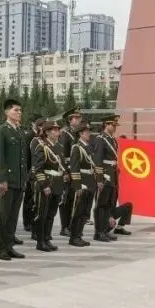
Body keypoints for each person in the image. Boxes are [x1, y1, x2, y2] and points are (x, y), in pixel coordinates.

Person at [0, 99, 28, 261]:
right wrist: (1, 180)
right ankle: (0, 248)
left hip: (18, 180)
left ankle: (9, 246)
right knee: (3, 216)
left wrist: (24, 178)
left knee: (13, 217)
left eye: (20, 110)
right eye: (15, 110)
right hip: (7, 181)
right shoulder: (1, 131)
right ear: (7, 112)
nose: (19, 113)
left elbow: (23, 158)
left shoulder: (19, 131)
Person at [31, 121, 66, 252]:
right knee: (42, 214)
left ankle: (47, 238)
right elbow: (38, 169)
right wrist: (44, 185)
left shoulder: (59, 147)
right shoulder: (42, 147)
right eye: (54, 130)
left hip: (57, 183)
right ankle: (40, 241)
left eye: (58, 130)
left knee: (51, 214)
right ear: (47, 132)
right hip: (47, 183)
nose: (58, 132)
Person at [92, 115, 122, 243]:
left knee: (109, 204)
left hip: (112, 174)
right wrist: (99, 179)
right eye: (112, 125)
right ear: (106, 125)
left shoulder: (112, 139)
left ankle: (104, 230)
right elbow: (98, 160)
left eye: (115, 125)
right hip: (105, 175)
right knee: (101, 205)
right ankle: (98, 232)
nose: (114, 127)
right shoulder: (101, 139)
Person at [68, 123, 97, 247]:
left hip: (90, 182)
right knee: (78, 212)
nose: (89, 133)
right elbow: (74, 168)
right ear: (80, 133)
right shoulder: (77, 148)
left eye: (89, 131)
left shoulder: (88, 147)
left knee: (85, 212)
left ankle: (79, 235)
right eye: (86, 131)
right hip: (82, 183)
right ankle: (74, 237)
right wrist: (78, 186)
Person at [58, 108, 83, 237]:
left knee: (74, 199)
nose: (79, 120)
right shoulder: (65, 134)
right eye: (76, 118)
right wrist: (65, 172)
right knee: (66, 200)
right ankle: (64, 227)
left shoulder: (76, 134)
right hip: (68, 169)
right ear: (70, 120)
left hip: (75, 169)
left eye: (79, 118)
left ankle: (70, 224)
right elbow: (61, 155)